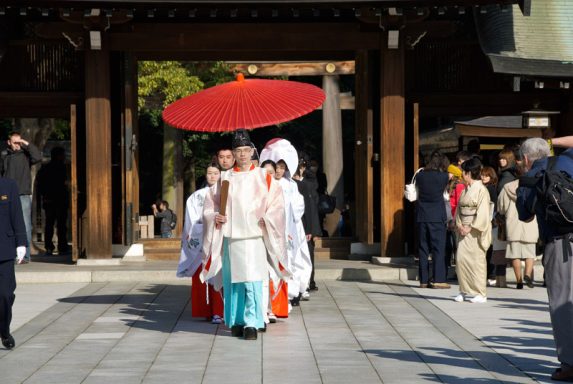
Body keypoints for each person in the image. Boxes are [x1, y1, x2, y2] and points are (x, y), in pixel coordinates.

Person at [201, 129, 289, 341]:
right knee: (235, 282)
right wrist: (215, 217)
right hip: (232, 237)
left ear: (252, 151)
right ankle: (236, 321)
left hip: (254, 235)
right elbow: (210, 206)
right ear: (233, 153)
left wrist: (267, 218)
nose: (242, 154)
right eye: (237, 151)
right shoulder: (224, 179)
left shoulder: (264, 177)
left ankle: (252, 321)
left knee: (253, 280)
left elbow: (277, 205)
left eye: (245, 150)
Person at [517, 137, 573, 381]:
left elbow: (525, 216)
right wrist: (554, 141)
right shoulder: (568, 158)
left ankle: (570, 365)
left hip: (560, 245)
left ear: (526, 159)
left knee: (562, 304)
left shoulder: (531, 177)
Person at [260, 139, 312, 307]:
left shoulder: (291, 185)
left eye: (283, 168)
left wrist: (293, 218)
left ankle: (294, 290)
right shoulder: (267, 184)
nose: (280, 171)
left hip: (292, 226)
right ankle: (279, 295)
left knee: (294, 258)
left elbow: (299, 205)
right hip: (273, 226)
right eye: (278, 167)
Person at [178, 164, 224, 324]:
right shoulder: (197, 196)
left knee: (219, 275)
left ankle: (219, 311)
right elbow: (191, 221)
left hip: (220, 238)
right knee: (203, 277)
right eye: (209, 173)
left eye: (216, 173)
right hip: (201, 242)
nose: (212, 176)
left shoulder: (225, 193)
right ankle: (205, 310)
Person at [454, 158, 492, 303]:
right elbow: (459, 210)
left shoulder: (482, 190)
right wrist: (459, 225)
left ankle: (480, 293)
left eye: (463, 172)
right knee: (461, 260)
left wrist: (470, 227)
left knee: (476, 261)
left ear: (468, 173)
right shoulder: (465, 190)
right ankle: (463, 290)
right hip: (463, 227)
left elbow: (483, 213)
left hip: (475, 229)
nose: (462, 174)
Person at [0, 132, 42, 263]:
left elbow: (38, 157)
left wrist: (26, 143)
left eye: (19, 143)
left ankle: (25, 256)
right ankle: (11, 253)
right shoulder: (4, 156)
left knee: (25, 224)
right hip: (6, 195)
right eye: (15, 142)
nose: (17, 145)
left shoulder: (26, 155)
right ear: (9, 142)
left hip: (22, 194)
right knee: (7, 224)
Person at [415, 150, 450, 289]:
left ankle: (423, 280)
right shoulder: (443, 177)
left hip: (422, 215)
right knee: (438, 248)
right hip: (437, 216)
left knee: (423, 248)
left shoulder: (420, 175)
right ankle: (438, 279)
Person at [0, 177, 27, 350]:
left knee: (5, 295)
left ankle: (4, 329)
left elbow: (16, 214)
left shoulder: (8, 185)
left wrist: (21, 242)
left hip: (4, 248)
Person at [498, 177, 538, 290]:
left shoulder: (507, 187)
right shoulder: (533, 186)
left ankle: (519, 281)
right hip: (530, 223)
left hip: (513, 224)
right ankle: (528, 275)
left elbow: (502, 207)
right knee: (530, 254)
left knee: (515, 255)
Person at [293, 159, 321, 292]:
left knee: (308, 253)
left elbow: (311, 209)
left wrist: (314, 230)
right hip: (294, 224)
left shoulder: (308, 183)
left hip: (307, 223)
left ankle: (310, 281)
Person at [36, 147, 69, 255]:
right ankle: (62, 246)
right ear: (59, 156)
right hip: (60, 199)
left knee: (49, 224)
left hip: (49, 200)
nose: (64, 157)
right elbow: (65, 184)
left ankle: (49, 247)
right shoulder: (63, 168)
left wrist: (44, 196)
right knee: (61, 225)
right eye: (63, 155)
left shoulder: (45, 168)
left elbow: (39, 185)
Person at [480, 166, 498, 286]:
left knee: (489, 249)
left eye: (486, 175)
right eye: (482, 175)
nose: (483, 177)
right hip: (487, 221)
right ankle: (489, 274)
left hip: (489, 221)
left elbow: (493, 206)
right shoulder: (485, 188)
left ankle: (491, 274)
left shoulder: (490, 189)